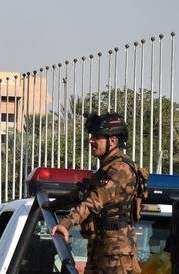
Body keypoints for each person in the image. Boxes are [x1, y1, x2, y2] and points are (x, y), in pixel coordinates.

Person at [50, 113, 148, 274]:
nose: (91, 141)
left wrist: (65, 224)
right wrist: (50, 205)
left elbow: (94, 201)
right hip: (101, 247)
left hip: (116, 251)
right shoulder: (105, 169)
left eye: (96, 137)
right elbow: (82, 194)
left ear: (113, 141)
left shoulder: (121, 170)